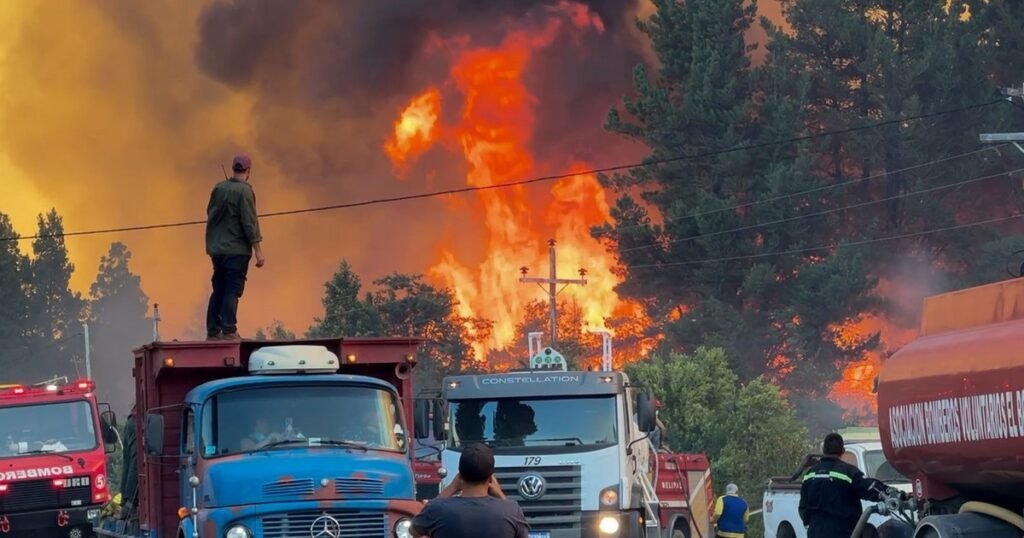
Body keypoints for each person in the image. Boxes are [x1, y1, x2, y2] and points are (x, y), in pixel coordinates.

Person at [411, 443, 529, 538]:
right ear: (490, 478)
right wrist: (500, 494)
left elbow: (414, 531)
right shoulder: (511, 510)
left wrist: (451, 488)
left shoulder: (436, 509)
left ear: (460, 476)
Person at [205, 154, 264, 340]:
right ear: (248, 171)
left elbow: (209, 211)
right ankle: (229, 330)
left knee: (219, 289)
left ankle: (213, 331)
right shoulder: (245, 192)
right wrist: (258, 251)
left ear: (233, 169)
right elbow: (249, 223)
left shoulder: (218, 188)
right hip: (236, 250)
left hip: (216, 250)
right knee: (232, 289)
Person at [799, 433, 883, 538]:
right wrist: (895, 494)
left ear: (824, 450)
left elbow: (803, 506)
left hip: (816, 533)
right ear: (842, 451)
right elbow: (871, 489)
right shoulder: (849, 472)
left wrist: (811, 525)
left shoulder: (810, 474)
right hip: (844, 533)